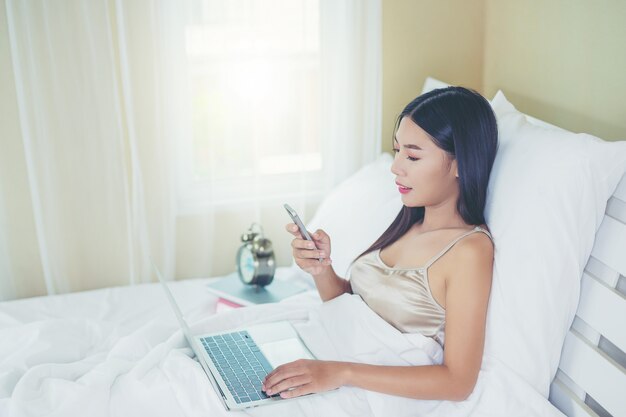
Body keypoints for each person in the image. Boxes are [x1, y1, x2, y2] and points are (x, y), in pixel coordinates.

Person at [262, 86, 498, 402]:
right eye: (397, 150)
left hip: (362, 388)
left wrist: (340, 372)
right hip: (324, 349)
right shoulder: (410, 222)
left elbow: (457, 381)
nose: (396, 166)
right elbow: (356, 309)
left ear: (460, 163)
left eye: (412, 155)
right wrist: (321, 269)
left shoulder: (469, 251)